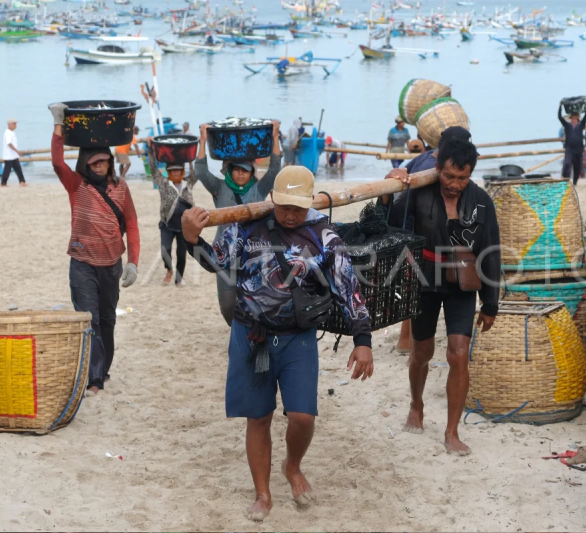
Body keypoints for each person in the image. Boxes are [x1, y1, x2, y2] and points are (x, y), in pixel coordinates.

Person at [181, 166, 374, 521]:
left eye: (297, 209)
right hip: (250, 334)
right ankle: (263, 493)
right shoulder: (247, 224)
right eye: (284, 207)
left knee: (302, 416)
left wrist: (363, 340)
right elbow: (219, 263)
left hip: (297, 337)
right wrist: (192, 239)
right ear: (273, 199)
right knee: (258, 417)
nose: (289, 215)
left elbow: (349, 288)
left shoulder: (324, 236)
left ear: (309, 204)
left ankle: (292, 465)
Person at [378, 137, 501, 456]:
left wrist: (491, 303)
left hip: (463, 283)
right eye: (448, 176)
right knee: (422, 352)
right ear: (437, 167)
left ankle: (451, 431)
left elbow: (491, 252)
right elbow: (388, 227)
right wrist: (388, 191)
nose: (455, 184)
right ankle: (416, 405)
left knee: (459, 353)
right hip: (425, 281)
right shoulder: (418, 194)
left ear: (471, 173)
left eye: (462, 178)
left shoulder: (482, 201)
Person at [48, 103, 140, 396]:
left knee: (108, 320)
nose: (100, 167)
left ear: (111, 162)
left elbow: (133, 223)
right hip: (82, 263)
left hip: (111, 264)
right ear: (85, 165)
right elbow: (57, 162)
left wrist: (133, 262)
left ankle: (102, 370)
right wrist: (59, 123)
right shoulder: (76, 185)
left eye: (104, 162)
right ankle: (95, 380)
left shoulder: (121, 188)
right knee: (91, 321)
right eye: (95, 163)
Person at [391, 126, 473, 354]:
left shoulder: (425, 157)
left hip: (412, 228)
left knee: (413, 287)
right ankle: (406, 341)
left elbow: (403, 173)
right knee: (416, 287)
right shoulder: (432, 168)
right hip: (417, 232)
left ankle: (405, 340)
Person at [196, 120, 282, 326]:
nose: (241, 173)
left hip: (254, 255)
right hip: (224, 257)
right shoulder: (219, 187)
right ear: (229, 169)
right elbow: (200, 170)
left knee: (257, 303)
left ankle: (249, 334)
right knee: (227, 307)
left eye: (245, 169)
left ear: (252, 171)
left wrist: (275, 136)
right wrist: (203, 140)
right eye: (236, 169)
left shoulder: (260, 189)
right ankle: (237, 329)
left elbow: (275, 167)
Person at [146, 137, 198, 286]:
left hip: (184, 226)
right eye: (172, 171)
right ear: (168, 172)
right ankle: (169, 269)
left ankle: (179, 278)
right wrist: (150, 149)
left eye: (178, 170)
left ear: (182, 171)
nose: (175, 173)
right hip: (166, 225)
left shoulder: (188, 183)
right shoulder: (163, 183)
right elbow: (153, 168)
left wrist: (191, 157)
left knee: (181, 254)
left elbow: (198, 171)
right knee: (165, 250)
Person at [558, 99, 586, 185]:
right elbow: (559, 117)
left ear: (577, 119)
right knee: (567, 164)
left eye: (575, 118)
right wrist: (560, 107)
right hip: (569, 148)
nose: (573, 120)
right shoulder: (567, 125)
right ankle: (565, 180)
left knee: (577, 166)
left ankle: (575, 182)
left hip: (578, 149)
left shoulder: (581, 125)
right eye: (572, 118)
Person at [1, 118, 26, 187]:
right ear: (10, 124)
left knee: (18, 168)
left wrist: (16, 152)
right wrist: (17, 151)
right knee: (7, 170)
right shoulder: (7, 133)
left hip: (13, 155)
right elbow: (9, 143)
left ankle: (22, 181)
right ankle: (3, 183)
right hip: (9, 155)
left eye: (16, 124)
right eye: (14, 124)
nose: (15, 125)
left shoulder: (12, 133)